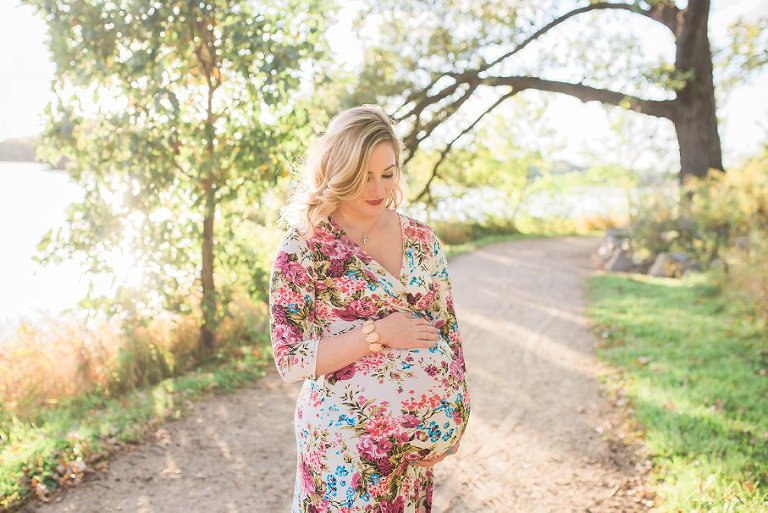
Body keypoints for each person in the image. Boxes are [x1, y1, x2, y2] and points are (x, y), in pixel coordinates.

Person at [269, 104, 471, 512]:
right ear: (339, 170)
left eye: (388, 174)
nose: (378, 188)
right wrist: (377, 334)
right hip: (342, 453)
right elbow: (290, 360)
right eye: (364, 176)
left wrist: (453, 421)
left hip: (413, 453)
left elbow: (448, 334)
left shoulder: (421, 240)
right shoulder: (304, 246)